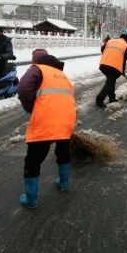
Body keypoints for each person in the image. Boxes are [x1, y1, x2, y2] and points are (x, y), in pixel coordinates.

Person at [17, 49, 77, 209]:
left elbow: (23, 88)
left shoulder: (37, 68)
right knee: (63, 151)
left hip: (46, 120)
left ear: (35, 60)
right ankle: (64, 183)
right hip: (66, 120)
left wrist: (31, 108)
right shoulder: (62, 75)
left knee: (33, 160)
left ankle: (31, 200)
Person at [96, 32, 127, 107]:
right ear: (126, 40)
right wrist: (122, 70)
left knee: (111, 81)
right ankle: (99, 99)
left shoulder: (111, 41)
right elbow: (124, 60)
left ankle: (112, 98)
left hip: (103, 65)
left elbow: (102, 50)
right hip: (115, 67)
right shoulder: (126, 45)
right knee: (110, 82)